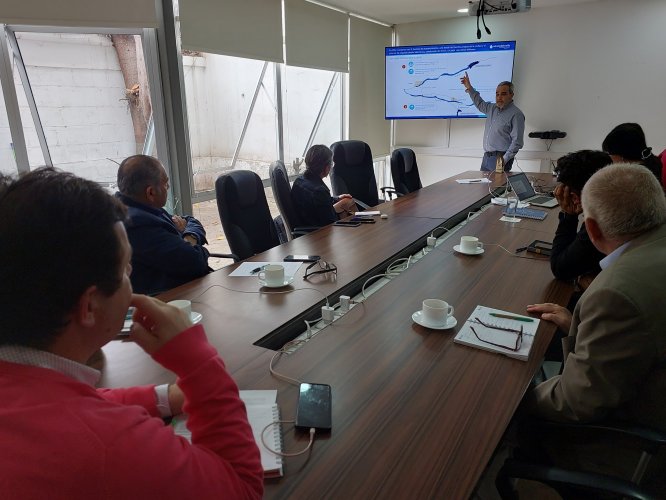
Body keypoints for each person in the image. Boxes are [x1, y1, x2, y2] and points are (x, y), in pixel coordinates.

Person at [0, 168, 263, 499]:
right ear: (90, 306)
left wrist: (167, 397)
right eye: (126, 270)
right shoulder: (106, 445)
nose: (132, 277)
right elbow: (240, 487)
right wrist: (199, 364)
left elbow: (61, 399)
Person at [525, 163, 666, 430]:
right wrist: (580, 326)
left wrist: (513, 397)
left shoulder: (615, 293)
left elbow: (575, 402)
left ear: (592, 229)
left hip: (623, 436)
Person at [116, 154, 210, 295]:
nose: (168, 187)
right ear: (151, 192)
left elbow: (190, 220)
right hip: (172, 298)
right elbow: (195, 262)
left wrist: (188, 235)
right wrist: (191, 240)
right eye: (165, 183)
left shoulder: (137, 206)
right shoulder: (137, 224)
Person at [549, 150, 612, 284]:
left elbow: (560, 268)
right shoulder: (619, 204)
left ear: (575, 197)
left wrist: (568, 216)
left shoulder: (601, 220)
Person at [460, 72, 525, 172]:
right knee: (483, 187)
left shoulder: (516, 114)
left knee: (496, 187)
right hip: (487, 157)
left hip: (501, 157)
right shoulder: (492, 108)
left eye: (503, 94)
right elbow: (479, 102)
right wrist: (469, 87)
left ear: (511, 95)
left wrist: (504, 160)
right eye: (497, 94)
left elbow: (517, 142)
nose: (499, 97)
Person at [291, 144, 357, 227]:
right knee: (349, 205)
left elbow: (316, 203)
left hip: (308, 222)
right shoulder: (319, 190)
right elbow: (331, 223)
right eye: (331, 164)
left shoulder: (299, 180)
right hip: (318, 234)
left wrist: (337, 198)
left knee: (347, 201)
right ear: (326, 168)